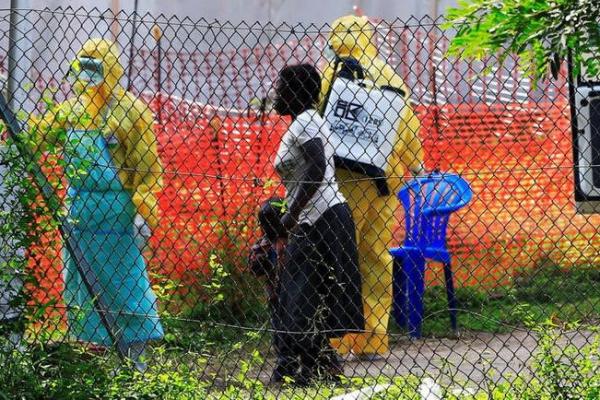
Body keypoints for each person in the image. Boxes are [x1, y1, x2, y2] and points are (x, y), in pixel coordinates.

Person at [32, 38, 164, 370]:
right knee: (80, 284)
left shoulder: (131, 111)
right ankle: (97, 359)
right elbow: (36, 137)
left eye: (96, 69)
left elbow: (146, 167)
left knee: (125, 282)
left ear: (111, 69)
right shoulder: (70, 110)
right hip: (80, 214)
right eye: (84, 68)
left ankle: (135, 357)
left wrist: (144, 212)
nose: (89, 76)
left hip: (117, 215)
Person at [320, 15, 425, 358]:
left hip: (344, 178)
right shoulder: (390, 75)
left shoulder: (331, 73)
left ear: (336, 38)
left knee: (336, 255)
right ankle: (373, 339)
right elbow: (406, 123)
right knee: (376, 257)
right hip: (385, 179)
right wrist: (414, 161)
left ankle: (334, 340)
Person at [271, 64, 364, 384]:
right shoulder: (301, 123)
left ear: (296, 92)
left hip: (320, 218)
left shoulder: (307, 121)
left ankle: (312, 368)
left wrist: (291, 215)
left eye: (282, 87)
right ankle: (319, 367)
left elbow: (318, 169)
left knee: (302, 294)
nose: (276, 92)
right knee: (308, 295)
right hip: (314, 218)